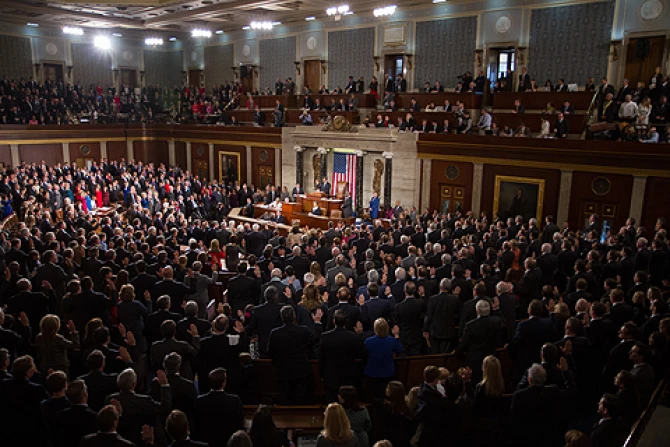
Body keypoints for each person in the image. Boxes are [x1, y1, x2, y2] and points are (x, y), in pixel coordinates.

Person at [268, 305, 323, 404]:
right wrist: (317, 322)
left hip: (283, 370)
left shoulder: (275, 333)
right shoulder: (303, 330)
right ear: (294, 316)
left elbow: (271, 352)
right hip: (301, 370)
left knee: (286, 400)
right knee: (301, 400)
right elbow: (315, 339)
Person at [320, 310, 366, 403]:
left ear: (333, 321)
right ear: (346, 322)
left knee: (331, 405)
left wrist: (321, 374)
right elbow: (361, 355)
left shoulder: (325, 337)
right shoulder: (354, 337)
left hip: (330, 377)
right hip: (348, 376)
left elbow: (321, 357)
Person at [193, 368, 245, 447]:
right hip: (228, 442)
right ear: (223, 383)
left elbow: (195, 425)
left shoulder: (200, 401)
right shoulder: (234, 401)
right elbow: (240, 423)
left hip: (206, 442)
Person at [364, 318, 403, 400]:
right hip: (387, 373)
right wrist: (396, 335)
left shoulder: (368, 342)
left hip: (372, 373)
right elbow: (400, 349)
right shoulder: (392, 341)